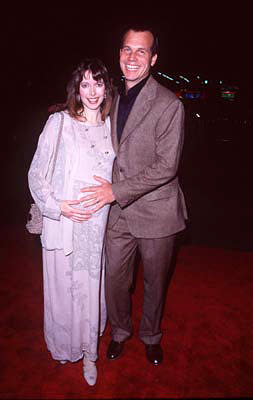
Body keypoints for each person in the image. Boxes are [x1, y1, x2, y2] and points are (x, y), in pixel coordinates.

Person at [80, 25, 187, 365]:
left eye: (141, 51)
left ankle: (151, 335)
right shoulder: (110, 97)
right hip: (118, 214)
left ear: (153, 58)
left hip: (157, 212)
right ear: (119, 54)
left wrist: (116, 191)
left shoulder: (169, 104)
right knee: (114, 279)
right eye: (127, 49)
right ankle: (121, 331)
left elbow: (166, 166)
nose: (132, 57)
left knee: (155, 283)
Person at [28, 58, 115, 385]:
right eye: (85, 84)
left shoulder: (111, 128)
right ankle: (65, 346)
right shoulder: (59, 123)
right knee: (63, 291)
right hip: (64, 222)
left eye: (99, 83)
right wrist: (59, 207)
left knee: (91, 291)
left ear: (107, 87)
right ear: (76, 90)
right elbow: (36, 175)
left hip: (96, 229)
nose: (92, 91)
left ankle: (89, 355)